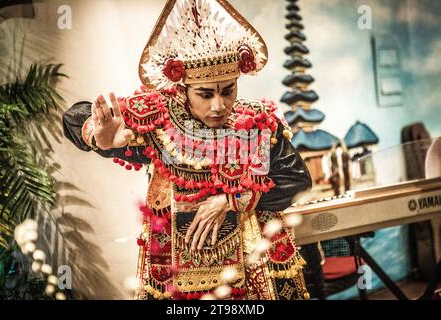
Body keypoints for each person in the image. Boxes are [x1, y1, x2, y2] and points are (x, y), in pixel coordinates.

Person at [62, 0, 312, 300]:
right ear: (183, 89)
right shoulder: (158, 119)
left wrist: (230, 201)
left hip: (254, 263)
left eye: (228, 90)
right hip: (175, 267)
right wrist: (97, 136)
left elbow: (297, 181)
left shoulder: (257, 121)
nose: (218, 105)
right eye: (205, 94)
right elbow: (74, 117)